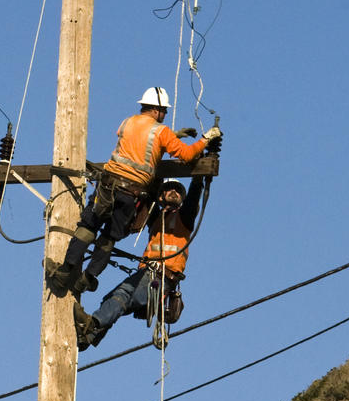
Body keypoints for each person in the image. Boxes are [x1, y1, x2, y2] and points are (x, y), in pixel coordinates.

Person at [48, 87, 220, 295]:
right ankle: (85, 280)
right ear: (156, 110)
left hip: (108, 187)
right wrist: (206, 139)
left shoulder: (127, 122)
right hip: (131, 194)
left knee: (87, 227)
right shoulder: (161, 132)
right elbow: (186, 154)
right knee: (108, 238)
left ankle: (65, 272)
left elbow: (138, 139)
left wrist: (172, 135)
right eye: (163, 111)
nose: (164, 115)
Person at [74, 177, 203, 350]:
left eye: (178, 190)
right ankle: (87, 337)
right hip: (146, 274)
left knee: (123, 298)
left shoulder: (185, 217)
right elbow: (149, 193)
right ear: (161, 196)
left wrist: (199, 177)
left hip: (161, 277)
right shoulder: (156, 217)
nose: (174, 192)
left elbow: (194, 195)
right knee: (113, 298)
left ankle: (92, 325)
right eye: (169, 189)